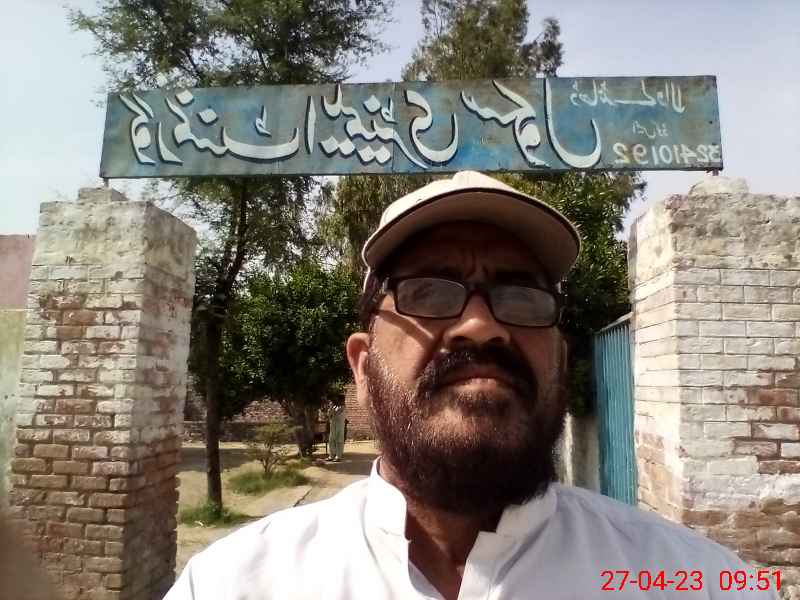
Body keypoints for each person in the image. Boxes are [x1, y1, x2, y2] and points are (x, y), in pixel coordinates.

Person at [165, 171, 776, 599]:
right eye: (429, 293)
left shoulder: (696, 581)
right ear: (362, 367)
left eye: (522, 297)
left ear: (560, 360)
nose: (482, 326)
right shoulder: (233, 583)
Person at [326, 396, 346, 462]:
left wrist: (333, 408)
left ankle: (338, 456)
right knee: (331, 440)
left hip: (339, 426)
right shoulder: (333, 407)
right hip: (333, 425)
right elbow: (329, 415)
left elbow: (339, 412)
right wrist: (330, 407)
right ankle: (331, 455)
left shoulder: (342, 407)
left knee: (339, 440)